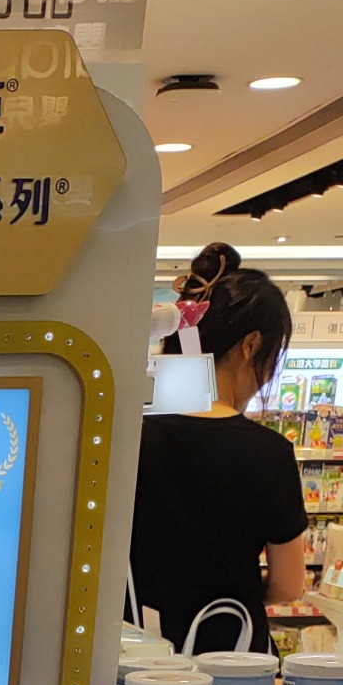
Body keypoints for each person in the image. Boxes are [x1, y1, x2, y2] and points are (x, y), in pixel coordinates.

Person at [129, 240, 307, 655]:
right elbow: (288, 585)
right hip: (234, 652)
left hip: (142, 650)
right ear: (251, 345)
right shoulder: (269, 453)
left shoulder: (131, 438)